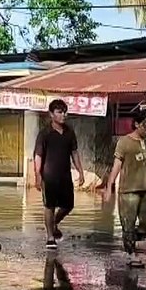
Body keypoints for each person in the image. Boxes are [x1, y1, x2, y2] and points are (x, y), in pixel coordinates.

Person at [103, 108, 146, 267]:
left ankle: (130, 239)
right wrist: (109, 186)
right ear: (136, 124)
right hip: (129, 191)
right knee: (128, 223)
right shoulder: (124, 142)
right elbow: (117, 165)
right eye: (145, 126)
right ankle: (131, 253)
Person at [33, 99, 86, 249]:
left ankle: (54, 222)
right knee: (49, 205)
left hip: (65, 175)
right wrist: (37, 175)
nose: (64, 115)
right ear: (51, 114)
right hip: (48, 176)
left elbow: (74, 153)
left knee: (69, 205)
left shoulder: (69, 132)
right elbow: (38, 155)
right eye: (60, 112)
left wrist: (80, 171)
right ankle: (50, 237)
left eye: (65, 112)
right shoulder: (45, 134)